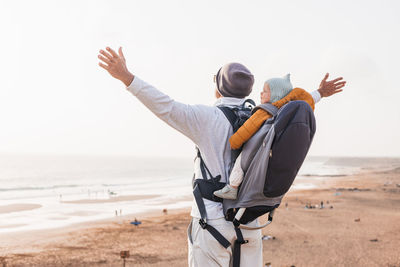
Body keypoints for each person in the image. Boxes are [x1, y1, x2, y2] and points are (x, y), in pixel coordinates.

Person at [97, 46, 346, 266]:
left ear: (218, 88)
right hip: (250, 223)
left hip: (211, 223)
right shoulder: (265, 114)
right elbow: (290, 105)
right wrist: (319, 93)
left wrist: (126, 78)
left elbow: (166, 107)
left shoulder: (206, 119)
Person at [214, 74, 316, 200]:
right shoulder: (286, 112)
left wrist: (234, 142)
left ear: (276, 94)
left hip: (255, 149)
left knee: (240, 163)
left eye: (265, 91)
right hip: (269, 158)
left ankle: (232, 188)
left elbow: (246, 130)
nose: (261, 93)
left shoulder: (264, 112)